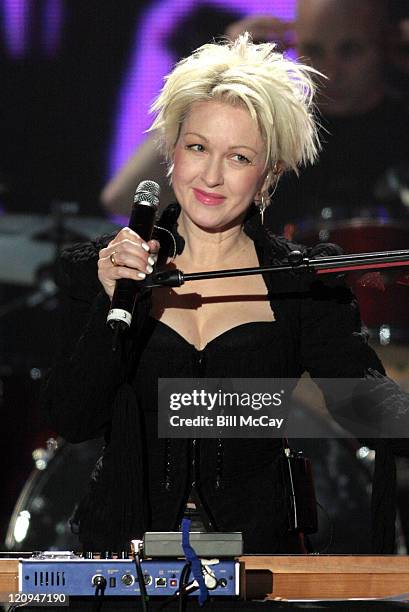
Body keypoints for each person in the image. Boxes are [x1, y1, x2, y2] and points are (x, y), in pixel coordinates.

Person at [44, 34, 407, 555]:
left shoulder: (299, 285)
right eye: (197, 148)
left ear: (269, 175)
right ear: (171, 153)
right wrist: (112, 301)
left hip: (256, 562)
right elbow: (72, 418)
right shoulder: (98, 270)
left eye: (238, 157)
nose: (211, 177)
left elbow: (366, 409)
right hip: (125, 562)